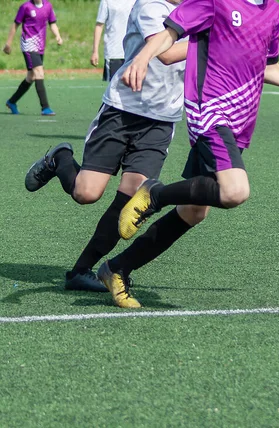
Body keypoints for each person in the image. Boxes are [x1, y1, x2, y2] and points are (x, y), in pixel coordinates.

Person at [94, 0, 279, 309]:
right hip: (210, 112)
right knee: (235, 191)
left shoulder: (273, 11)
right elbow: (169, 34)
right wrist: (143, 57)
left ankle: (117, 269)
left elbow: (268, 65)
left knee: (194, 211)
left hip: (240, 120)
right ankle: (156, 194)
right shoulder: (215, 2)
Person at [23, 0, 188, 292]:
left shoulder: (201, 11)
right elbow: (167, 53)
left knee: (129, 204)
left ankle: (81, 271)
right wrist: (216, 42)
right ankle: (60, 158)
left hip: (159, 123)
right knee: (86, 193)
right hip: (122, 111)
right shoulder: (151, 6)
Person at [3, 0, 62, 116]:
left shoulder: (48, 6)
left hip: (40, 45)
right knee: (39, 73)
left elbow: (52, 23)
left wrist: (58, 36)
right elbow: (15, 25)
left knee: (31, 77)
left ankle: (12, 101)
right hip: (28, 44)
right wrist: (8, 43)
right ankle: (45, 107)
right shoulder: (25, 7)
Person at [90, 0, 136, 81]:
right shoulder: (106, 1)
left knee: (132, 87)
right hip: (114, 52)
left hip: (132, 52)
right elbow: (99, 25)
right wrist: (95, 51)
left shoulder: (136, 1)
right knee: (113, 88)